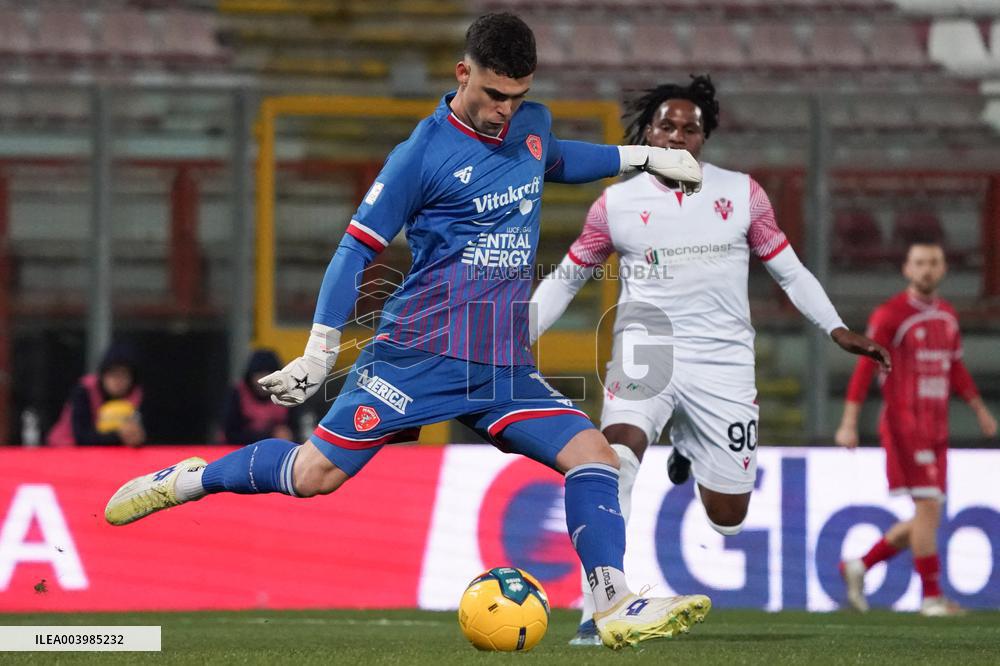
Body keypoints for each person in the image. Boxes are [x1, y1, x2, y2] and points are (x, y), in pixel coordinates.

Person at [104, 13, 710, 649]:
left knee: (593, 455)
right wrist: (320, 350)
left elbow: (555, 159)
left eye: (518, 97)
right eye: (494, 94)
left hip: (500, 368)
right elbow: (353, 252)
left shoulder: (531, 126)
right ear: (463, 73)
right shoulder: (420, 154)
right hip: (417, 357)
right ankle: (188, 480)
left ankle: (611, 601)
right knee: (314, 477)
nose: (505, 111)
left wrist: (644, 158)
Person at [529, 76, 891, 645]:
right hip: (646, 344)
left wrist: (837, 327)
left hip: (723, 359)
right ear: (648, 131)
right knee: (613, 460)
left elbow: (789, 270)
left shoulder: (742, 194)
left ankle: (691, 452)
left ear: (705, 137)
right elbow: (568, 277)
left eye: (689, 128)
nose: (676, 136)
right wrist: (516, 335)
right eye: (665, 126)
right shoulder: (615, 204)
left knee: (728, 515)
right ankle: (600, 610)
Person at [835, 240, 997, 617]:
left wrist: (979, 410)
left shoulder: (948, 315)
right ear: (907, 269)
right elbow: (864, 366)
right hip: (905, 425)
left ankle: (860, 566)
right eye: (920, 263)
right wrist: (848, 422)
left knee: (928, 514)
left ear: (943, 269)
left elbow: (954, 366)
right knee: (928, 508)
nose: (926, 269)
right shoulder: (891, 314)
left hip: (936, 428)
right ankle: (931, 598)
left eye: (933, 263)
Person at [47, 343, 146, 447]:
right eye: (113, 374)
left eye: (124, 375)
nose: (118, 381)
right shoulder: (85, 391)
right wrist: (119, 436)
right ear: (103, 375)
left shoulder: (136, 396)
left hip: (116, 454)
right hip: (67, 450)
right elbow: (81, 437)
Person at [222, 349, 295, 445]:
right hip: (242, 450)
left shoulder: (288, 395)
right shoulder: (238, 394)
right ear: (250, 376)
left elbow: (298, 429)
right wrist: (269, 436)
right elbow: (230, 433)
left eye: (268, 376)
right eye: (259, 375)